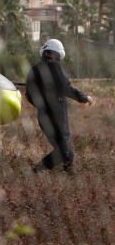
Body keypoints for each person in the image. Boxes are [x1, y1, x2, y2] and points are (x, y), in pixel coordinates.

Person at [25, 38, 93, 172]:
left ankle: (69, 172)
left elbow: (29, 95)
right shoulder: (55, 66)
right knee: (64, 151)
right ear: (55, 54)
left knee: (66, 151)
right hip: (57, 115)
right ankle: (37, 170)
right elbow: (66, 88)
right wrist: (85, 97)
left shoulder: (34, 70)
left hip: (43, 116)